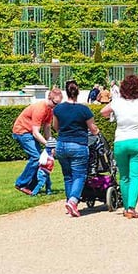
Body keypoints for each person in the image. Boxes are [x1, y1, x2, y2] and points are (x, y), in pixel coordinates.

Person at [101, 75, 138, 218]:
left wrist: (113, 115)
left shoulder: (117, 102)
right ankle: (131, 208)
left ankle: (125, 208)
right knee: (136, 176)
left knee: (124, 176)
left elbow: (103, 112)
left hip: (121, 141)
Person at [53, 80, 100, 217]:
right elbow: (93, 128)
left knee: (68, 176)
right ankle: (73, 201)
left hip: (61, 144)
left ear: (66, 92)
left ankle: (70, 203)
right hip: (78, 145)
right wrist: (97, 132)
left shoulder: (58, 109)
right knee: (79, 175)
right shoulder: (84, 110)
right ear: (77, 92)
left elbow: (55, 127)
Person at [12, 88, 62, 195]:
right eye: (55, 103)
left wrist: (51, 144)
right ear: (49, 98)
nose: (56, 106)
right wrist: (48, 144)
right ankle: (20, 184)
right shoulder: (40, 109)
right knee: (36, 157)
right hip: (22, 132)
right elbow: (36, 132)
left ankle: (31, 187)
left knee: (41, 159)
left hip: (29, 133)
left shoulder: (50, 110)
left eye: (58, 104)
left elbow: (47, 128)